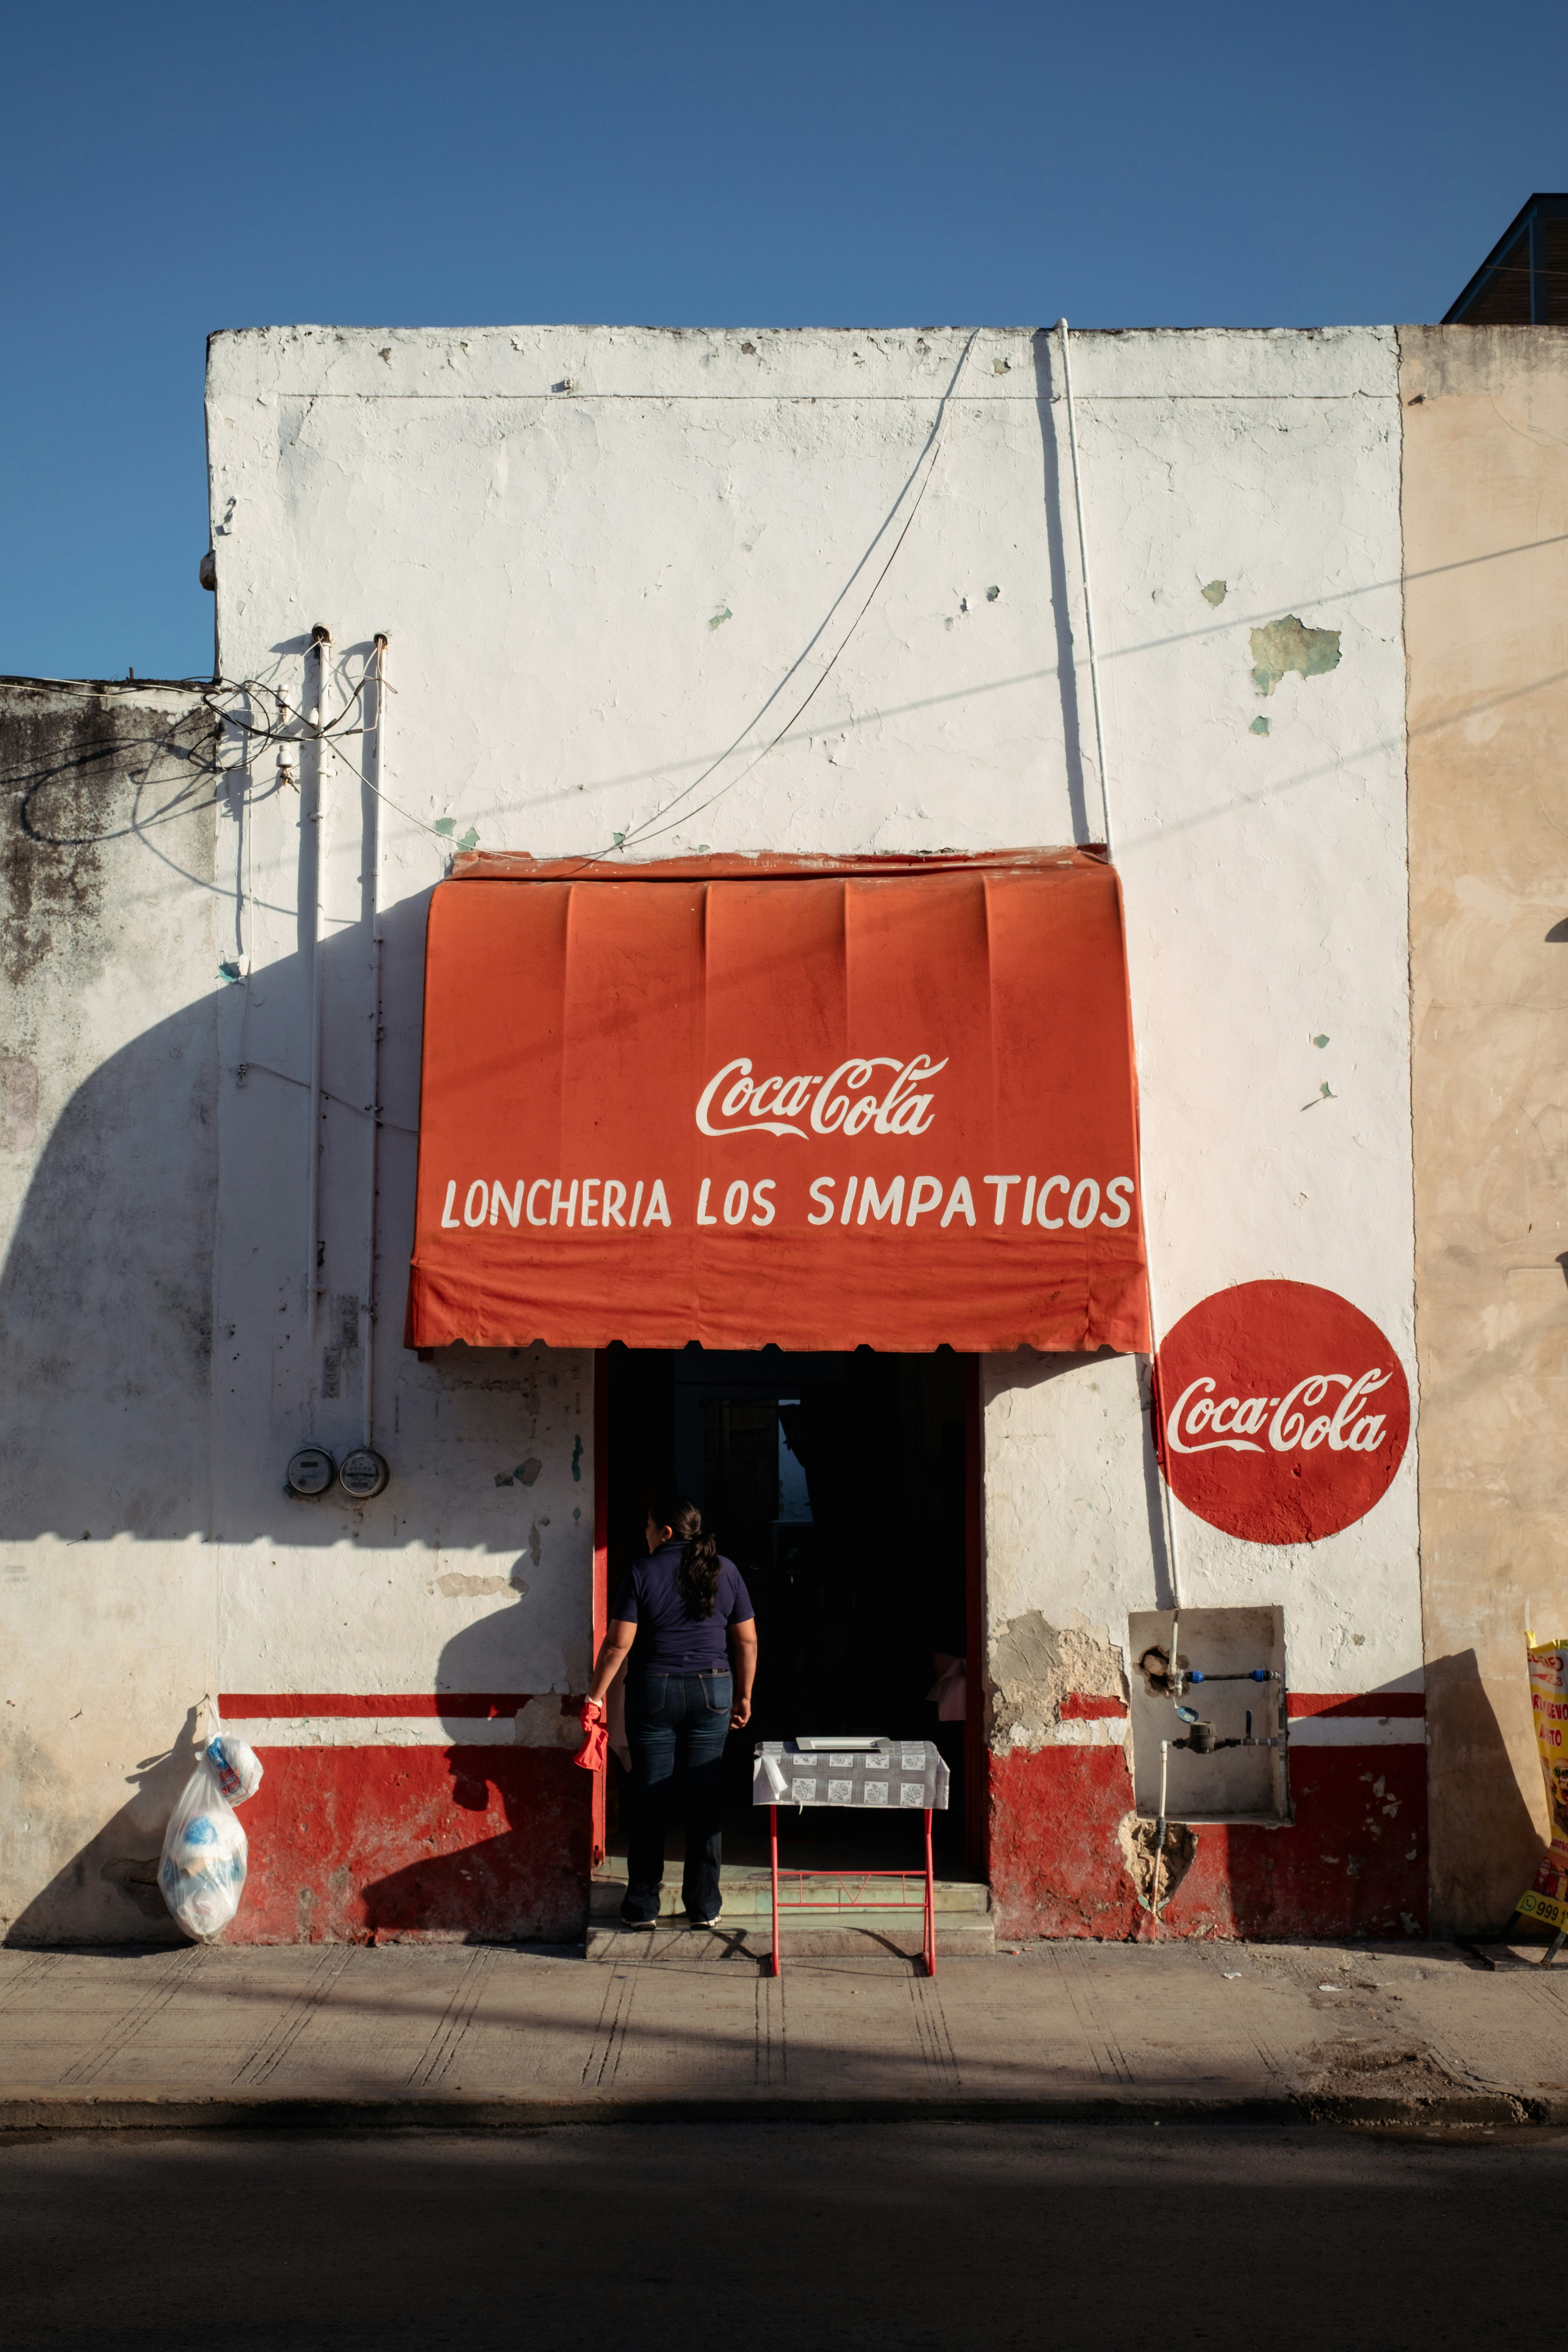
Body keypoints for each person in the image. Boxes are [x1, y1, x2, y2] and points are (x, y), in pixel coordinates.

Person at [585, 1494, 757, 1930]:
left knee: (650, 1796)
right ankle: (704, 1906)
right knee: (704, 1797)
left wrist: (595, 1697)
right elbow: (747, 1641)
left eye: (648, 1526)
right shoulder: (727, 1570)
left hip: (654, 1691)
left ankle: (643, 1907)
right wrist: (744, 1695)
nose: (644, 1534)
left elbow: (618, 1644)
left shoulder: (642, 1572)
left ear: (665, 1532)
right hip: (713, 1690)